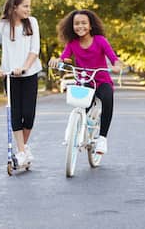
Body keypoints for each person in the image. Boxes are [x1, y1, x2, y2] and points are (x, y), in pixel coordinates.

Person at [48, 9, 122, 155]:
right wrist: (57, 61)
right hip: (83, 81)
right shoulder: (72, 43)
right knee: (81, 108)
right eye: (76, 23)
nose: (80, 26)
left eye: (83, 23)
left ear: (90, 26)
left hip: (101, 81)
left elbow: (114, 59)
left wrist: (117, 66)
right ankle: (76, 129)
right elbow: (64, 58)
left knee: (107, 98)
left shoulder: (100, 40)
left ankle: (102, 138)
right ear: (72, 26)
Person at [0, 0, 42, 166]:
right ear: (14, 7)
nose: (29, 9)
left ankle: (23, 148)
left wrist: (25, 67)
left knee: (28, 115)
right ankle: (21, 152)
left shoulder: (32, 23)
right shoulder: (1, 26)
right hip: (10, 76)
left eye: (29, 6)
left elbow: (35, 50)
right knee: (16, 114)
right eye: (25, 6)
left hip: (29, 73)